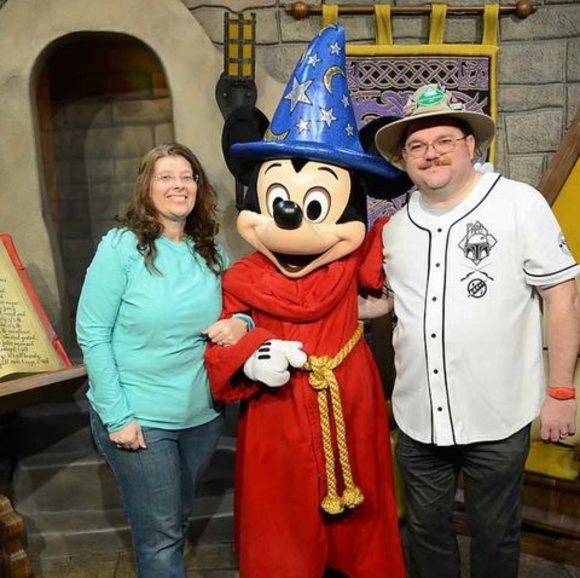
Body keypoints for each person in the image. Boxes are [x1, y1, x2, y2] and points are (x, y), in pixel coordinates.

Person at [360, 83, 580, 578]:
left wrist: (561, 392)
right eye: (417, 146)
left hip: (498, 415)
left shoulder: (519, 204)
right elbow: (395, 301)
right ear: (403, 159)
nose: (430, 153)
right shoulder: (396, 229)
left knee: (495, 534)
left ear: (469, 146)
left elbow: (562, 296)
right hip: (418, 417)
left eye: (443, 140)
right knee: (425, 533)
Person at [76, 142, 247, 578]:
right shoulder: (121, 247)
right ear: (146, 187)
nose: (178, 185)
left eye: (187, 177)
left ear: (198, 186)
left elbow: (240, 307)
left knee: (176, 519)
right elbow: (92, 333)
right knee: (161, 538)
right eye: (165, 177)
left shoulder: (209, 250)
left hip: (202, 415)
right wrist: (117, 416)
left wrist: (241, 322)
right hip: (141, 416)